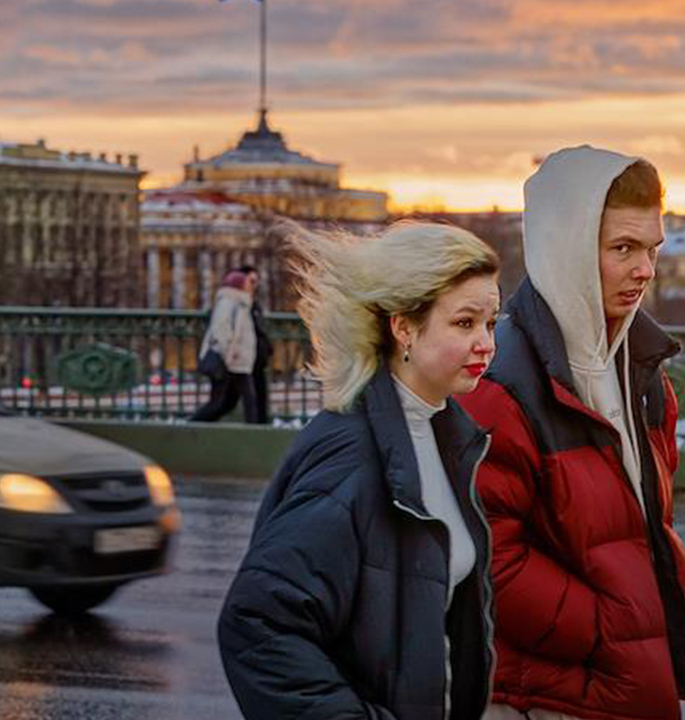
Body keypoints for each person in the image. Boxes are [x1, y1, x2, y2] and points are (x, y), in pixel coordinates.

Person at [459, 146, 685, 720]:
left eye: (652, 249)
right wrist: (617, 625)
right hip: (541, 698)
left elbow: (644, 531)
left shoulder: (646, 377)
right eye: (622, 248)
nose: (645, 270)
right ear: (566, 250)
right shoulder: (499, 387)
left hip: (620, 687)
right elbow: (490, 563)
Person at [218, 222, 503, 720]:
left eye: (491, 323)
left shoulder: (445, 437)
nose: (486, 344)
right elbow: (257, 624)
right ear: (404, 328)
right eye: (464, 323)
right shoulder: (352, 456)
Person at [192, 269, 260, 424]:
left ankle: (195, 424)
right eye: (249, 283)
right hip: (230, 361)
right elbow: (221, 330)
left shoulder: (242, 303)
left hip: (238, 362)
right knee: (241, 401)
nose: (252, 286)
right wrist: (229, 355)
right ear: (240, 285)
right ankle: (191, 425)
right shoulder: (229, 302)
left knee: (225, 403)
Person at [237, 264, 273, 424]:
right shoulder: (236, 303)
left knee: (259, 401)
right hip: (243, 361)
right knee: (222, 403)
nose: (254, 285)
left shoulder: (253, 304)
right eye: (251, 281)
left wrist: (268, 348)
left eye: (256, 281)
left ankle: (260, 427)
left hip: (257, 360)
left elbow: (260, 330)